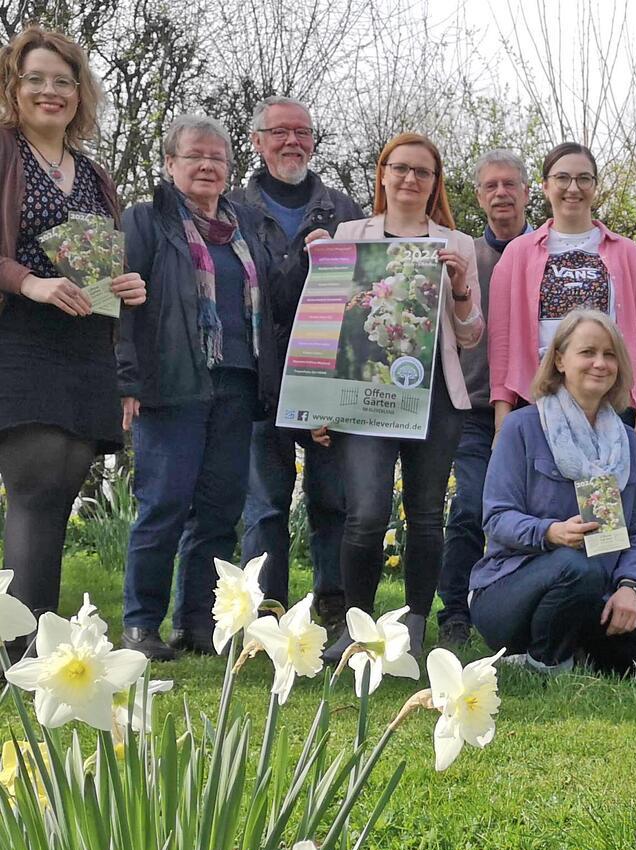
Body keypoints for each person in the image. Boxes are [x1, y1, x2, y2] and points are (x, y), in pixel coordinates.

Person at [311, 132, 482, 663]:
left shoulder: (457, 244)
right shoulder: (348, 235)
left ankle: (414, 625)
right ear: (382, 173)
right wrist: (318, 403)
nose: (410, 179)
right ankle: (357, 629)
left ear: (435, 185)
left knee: (427, 514)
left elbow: (472, 334)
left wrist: (458, 289)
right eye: (400, 168)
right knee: (364, 513)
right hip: (363, 395)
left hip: (434, 398)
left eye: (422, 172)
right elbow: (323, 326)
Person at [0, 27, 147, 631]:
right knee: (34, 489)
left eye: (63, 81)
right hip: (20, 339)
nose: (49, 91)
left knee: (58, 493)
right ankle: (26, 652)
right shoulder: (3, 151)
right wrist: (24, 280)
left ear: (79, 93)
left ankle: (35, 636)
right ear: (14, 86)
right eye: (35, 78)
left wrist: (124, 287)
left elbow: (98, 262)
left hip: (85, 345)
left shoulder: (93, 174)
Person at [119, 113, 276, 659]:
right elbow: (125, 305)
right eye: (195, 156)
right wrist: (127, 380)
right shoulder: (145, 221)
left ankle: (196, 623)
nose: (208, 165)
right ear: (169, 164)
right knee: (163, 503)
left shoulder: (248, 225)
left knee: (218, 509)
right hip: (172, 383)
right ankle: (140, 625)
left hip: (236, 382)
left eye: (218, 158)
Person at [470, 308, 636, 673]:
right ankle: (541, 663)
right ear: (559, 360)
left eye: (609, 355)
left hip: (597, 590)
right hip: (510, 590)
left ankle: (579, 652)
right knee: (576, 567)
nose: (600, 363)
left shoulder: (624, 442)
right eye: (587, 352)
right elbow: (496, 519)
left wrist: (630, 587)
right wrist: (551, 533)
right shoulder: (522, 428)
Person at [232, 96, 363, 635]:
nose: (292, 142)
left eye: (302, 132)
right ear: (258, 141)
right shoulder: (235, 209)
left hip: (328, 380)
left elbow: (365, 297)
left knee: (333, 499)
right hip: (259, 375)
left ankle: (332, 603)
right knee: (264, 503)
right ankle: (267, 609)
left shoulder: (344, 210)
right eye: (280, 132)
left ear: (314, 141)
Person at [487, 142, 636, 457]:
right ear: (545, 186)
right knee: (544, 502)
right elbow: (502, 346)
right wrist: (501, 424)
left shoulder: (628, 254)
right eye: (562, 178)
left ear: (594, 186)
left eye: (584, 179)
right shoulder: (517, 254)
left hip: (608, 405)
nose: (573, 188)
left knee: (602, 504)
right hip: (539, 404)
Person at [435, 148, 533, 648]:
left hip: (539, 409)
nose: (501, 193)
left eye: (510, 184)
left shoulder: (547, 254)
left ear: (526, 192)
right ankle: (454, 612)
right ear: (478, 196)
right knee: (471, 508)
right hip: (474, 409)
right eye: (491, 185)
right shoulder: (462, 255)